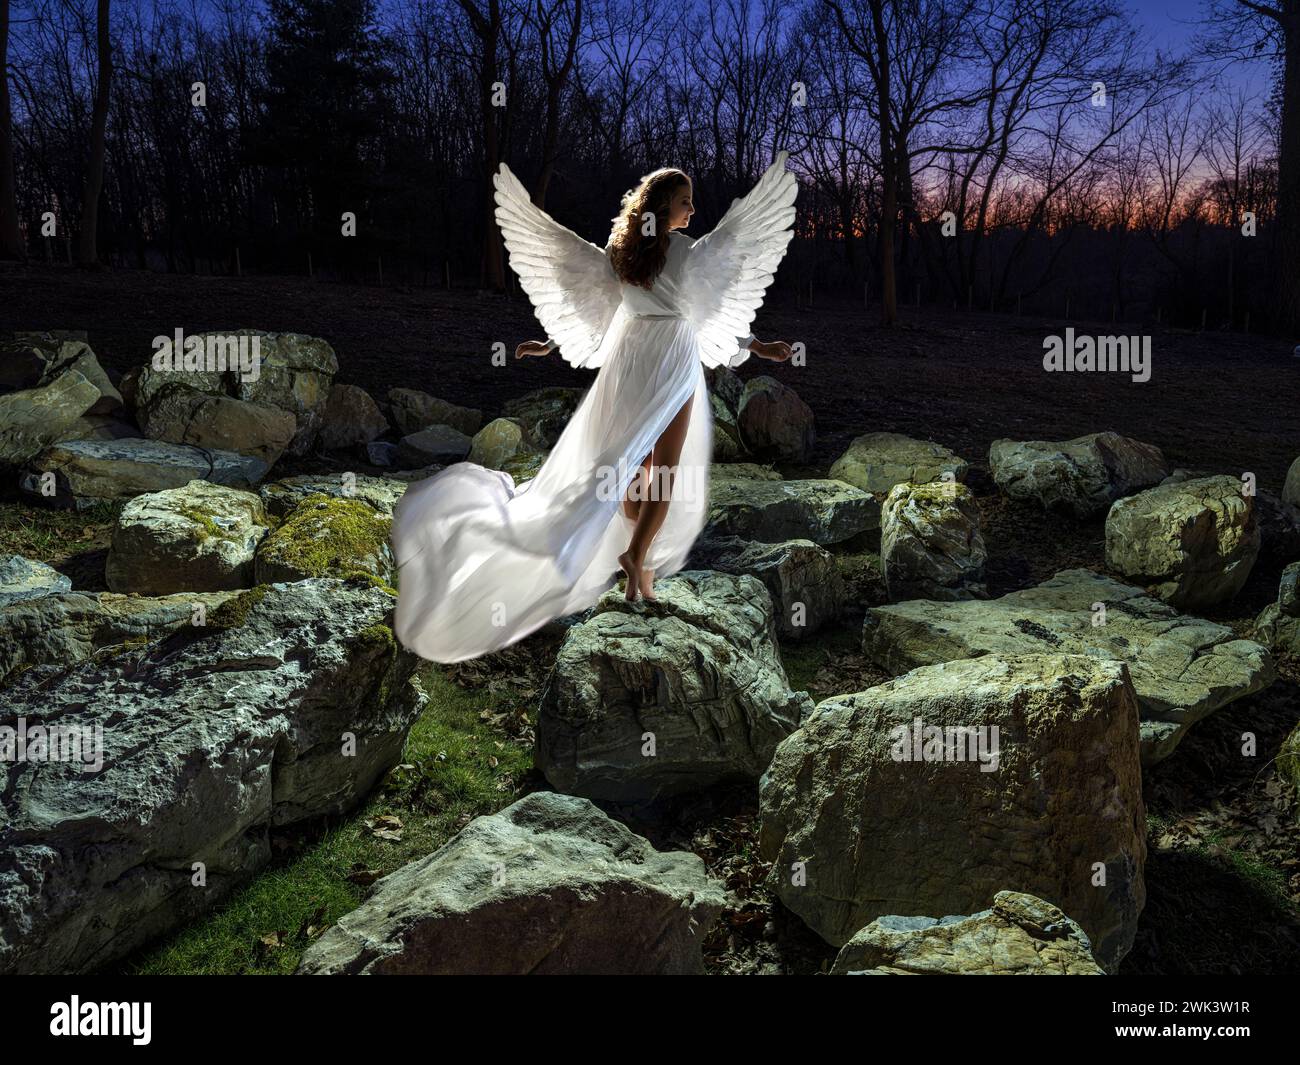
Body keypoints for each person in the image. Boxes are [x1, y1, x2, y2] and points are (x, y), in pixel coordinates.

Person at [391, 152, 798, 663]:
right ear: (662, 206)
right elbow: (707, 314)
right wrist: (760, 347)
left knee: (630, 469)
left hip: (629, 362)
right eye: (685, 202)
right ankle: (635, 555)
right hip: (669, 358)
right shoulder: (690, 255)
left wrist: (548, 344)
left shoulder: (620, 255)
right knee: (664, 472)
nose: (693, 211)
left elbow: (599, 317)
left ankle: (638, 565)